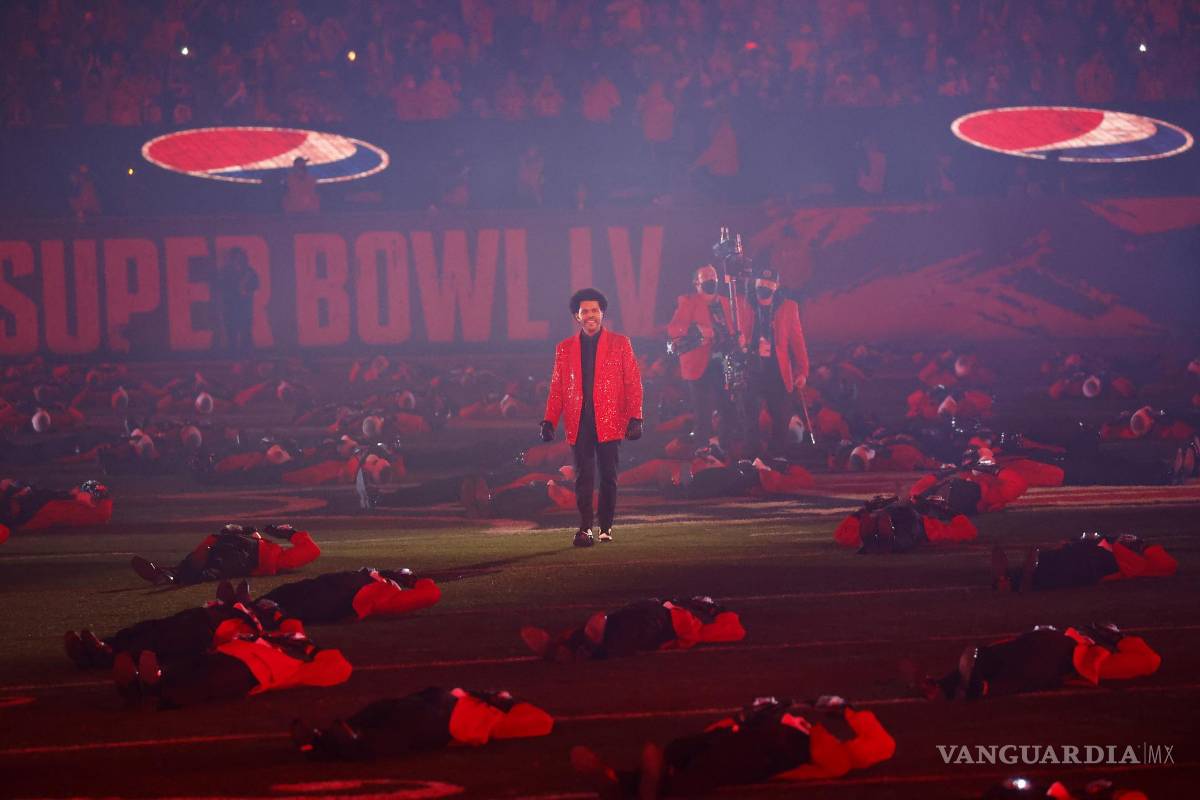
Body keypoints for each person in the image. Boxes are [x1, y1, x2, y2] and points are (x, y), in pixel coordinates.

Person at [571, 695, 894, 798]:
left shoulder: (824, 742)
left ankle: (623, 781)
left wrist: (846, 711)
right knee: (690, 760)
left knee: (698, 760)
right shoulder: (814, 734)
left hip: (760, 743)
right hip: (754, 741)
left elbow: (882, 745)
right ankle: (629, 783)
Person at [542, 289, 643, 547]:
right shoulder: (564, 348)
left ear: (602, 313)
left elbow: (632, 382)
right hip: (579, 422)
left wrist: (636, 417)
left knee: (609, 476)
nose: (590, 315)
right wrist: (549, 420)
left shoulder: (621, 343)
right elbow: (557, 388)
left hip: (610, 420)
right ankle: (585, 528)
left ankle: (605, 526)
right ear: (577, 316)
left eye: (595, 310)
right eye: (585, 311)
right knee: (583, 477)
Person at [291, 687, 552, 760]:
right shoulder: (496, 712)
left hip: (443, 719)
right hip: (439, 706)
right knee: (381, 712)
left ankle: (321, 742)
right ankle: (324, 737)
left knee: (388, 733)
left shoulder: (507, 720)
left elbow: (544, 722)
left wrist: (505, 702)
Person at [926, 623, 1160, 700]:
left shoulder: (1084, 642)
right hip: (1061, 655)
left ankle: (943, 685)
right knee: (1024, 676)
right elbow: (1150, 661)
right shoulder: (1098, 658)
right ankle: (981, 687)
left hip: (1043, 639)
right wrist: (1120, 639)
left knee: (994, 655)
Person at [666, 264, 751, 446]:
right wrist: (698, 330)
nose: (712, 281)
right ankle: (701, 451)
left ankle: (725, 449)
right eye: (707, 278)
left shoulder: (727, 302)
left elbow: (739, 328)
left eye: (714, 277)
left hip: (725, 366)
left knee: (728, 411)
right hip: (700, 365)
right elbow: (674, 329)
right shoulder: (688, 302)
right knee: (703, 414)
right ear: (697, 283)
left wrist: (741, 338)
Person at [520, 595, 744, 662]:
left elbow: (734, 630)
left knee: (614, 631)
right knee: (615, 635)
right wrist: (716, 609)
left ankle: (572, 644)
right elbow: (734, 630)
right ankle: (579, 646)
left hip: (651, 617)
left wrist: (715, 609)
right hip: (659, 620)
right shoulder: (689, 619)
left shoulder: (688, 617)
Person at [130, 523, 320, 586]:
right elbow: (311, 550)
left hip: (237, 554)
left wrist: (289, 533)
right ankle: (171, 575)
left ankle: (169, 575)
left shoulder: (273, 554)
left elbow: (311, 551)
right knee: (212, 565)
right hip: (243, 555)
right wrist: (289, 533)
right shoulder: (275, 555)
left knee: (210, 564)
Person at [746, 268, 809, 455]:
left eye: (769, 283)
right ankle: (752, 458)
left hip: (777, 372)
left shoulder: (788, 307)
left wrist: (802, 371)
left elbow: (797, 341)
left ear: (777, 286)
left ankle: (778, 458)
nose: (765, 286)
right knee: (749, 419)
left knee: (781, 419)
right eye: (761, 282)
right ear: (755, 283)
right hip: (751, 371)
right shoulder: (744, 304)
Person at [991, 532, 1177, 592]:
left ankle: (1011, 580)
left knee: (1051, 564)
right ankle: (1012, 579)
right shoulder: (1131, 558)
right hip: (1084, 563)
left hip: (1085, 565)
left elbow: (1167, 565)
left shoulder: (1136, 563)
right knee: (1055, 560)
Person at [217, 247, 258, 353]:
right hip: (230, 306)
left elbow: (256, 285)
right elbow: (220, 287)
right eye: (235, 258)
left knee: (246, 330)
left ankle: (247, 352)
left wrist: (247, 290)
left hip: (244, 306)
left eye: (240, 258)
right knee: (231, 331)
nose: (238, 260)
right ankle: (233, 353)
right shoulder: (225, 272)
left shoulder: (249, 272)